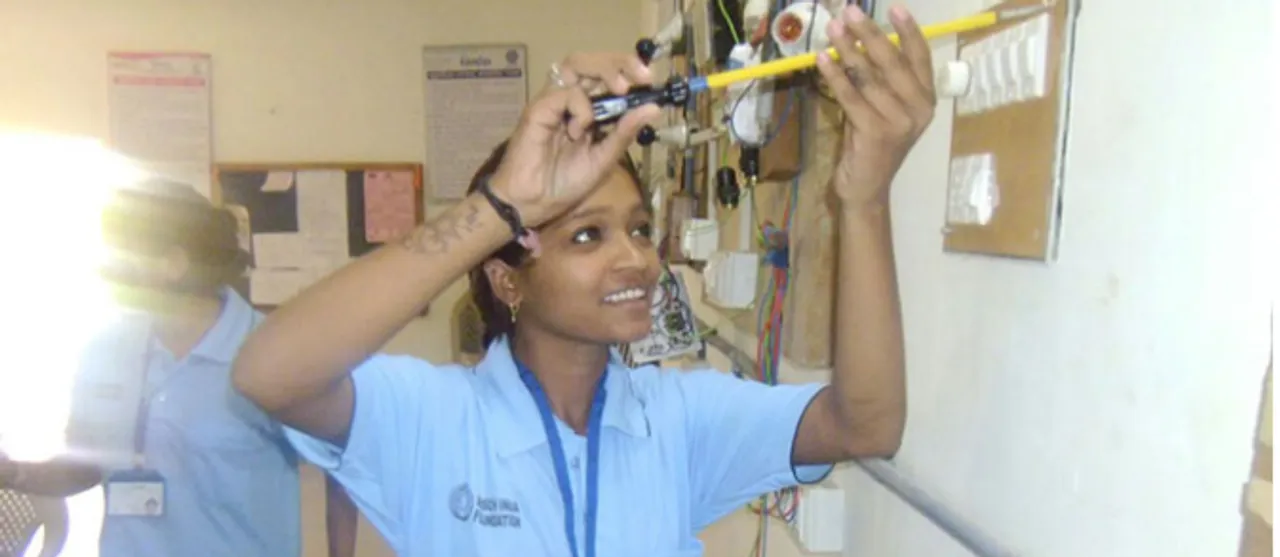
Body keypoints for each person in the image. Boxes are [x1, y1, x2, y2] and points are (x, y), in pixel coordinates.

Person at [233, 4, 933, 555]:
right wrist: (499, 207)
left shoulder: (677, 421)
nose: (635, 258)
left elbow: (864, 422)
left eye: (637, 227)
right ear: (508, 281)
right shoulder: (434, 419)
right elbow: (271, 372)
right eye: (587, 235)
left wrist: (863, 202)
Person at [0, 181, 360, 557]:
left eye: (123, 253)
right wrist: (15, 474)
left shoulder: (272, 352)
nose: (107, 266)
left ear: (174, 263)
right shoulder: (103, 349)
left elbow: (344, 467)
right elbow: (85, 467)